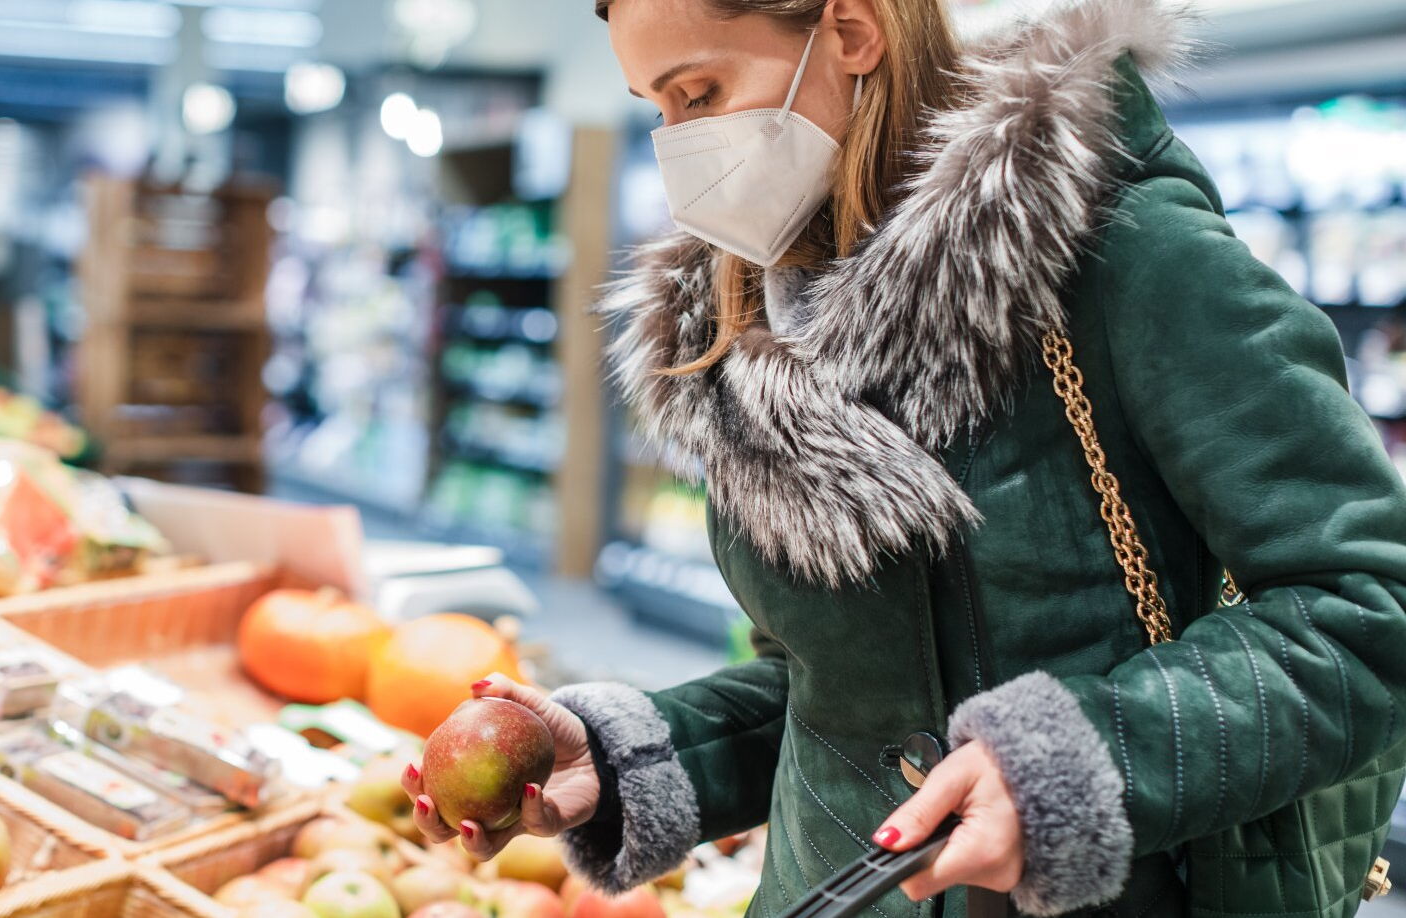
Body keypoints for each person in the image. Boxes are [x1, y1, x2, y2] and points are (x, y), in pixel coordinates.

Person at [402, 0, 1406, 914]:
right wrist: (637, 756)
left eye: (699, 94)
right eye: (656, 109)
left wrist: (1079, 759)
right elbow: (844, 695)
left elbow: (1369, 607)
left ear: (849, 32)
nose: (680, 150)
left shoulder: (1123, 257)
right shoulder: (749, 325)